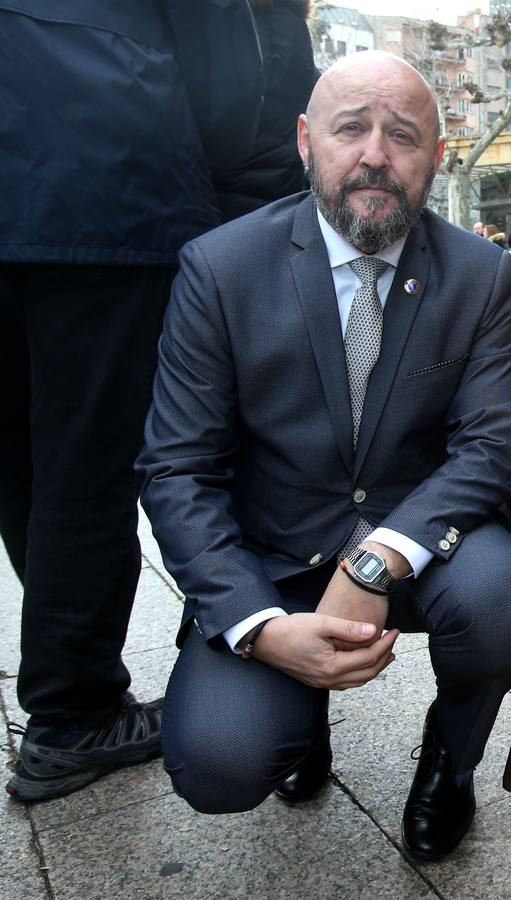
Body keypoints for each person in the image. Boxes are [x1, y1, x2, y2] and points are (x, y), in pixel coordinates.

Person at [137, 51, 511, 861]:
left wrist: (376, 561)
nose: (374, 154)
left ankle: (450, 762)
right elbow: (176, 470)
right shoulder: (220, 269)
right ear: (305, 141)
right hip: (275, 554)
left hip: (417, 540)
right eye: (350, 128)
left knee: (506, 605)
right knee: (220, 762)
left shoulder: (479, 272)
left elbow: (493, 444)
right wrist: (259, 627)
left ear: (438, 154)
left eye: (402, 135)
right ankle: (299, 722)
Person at [0, 0, 263, 802]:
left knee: (18, 454)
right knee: (89, 459)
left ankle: (67, 674)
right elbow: (226, 80)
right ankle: (72, 712)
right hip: (103, 177)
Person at [213, 0, 319, 221]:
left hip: (237, 183)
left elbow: (252, 83)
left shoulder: (262, 21)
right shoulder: (291, 23)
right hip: (277, 184)